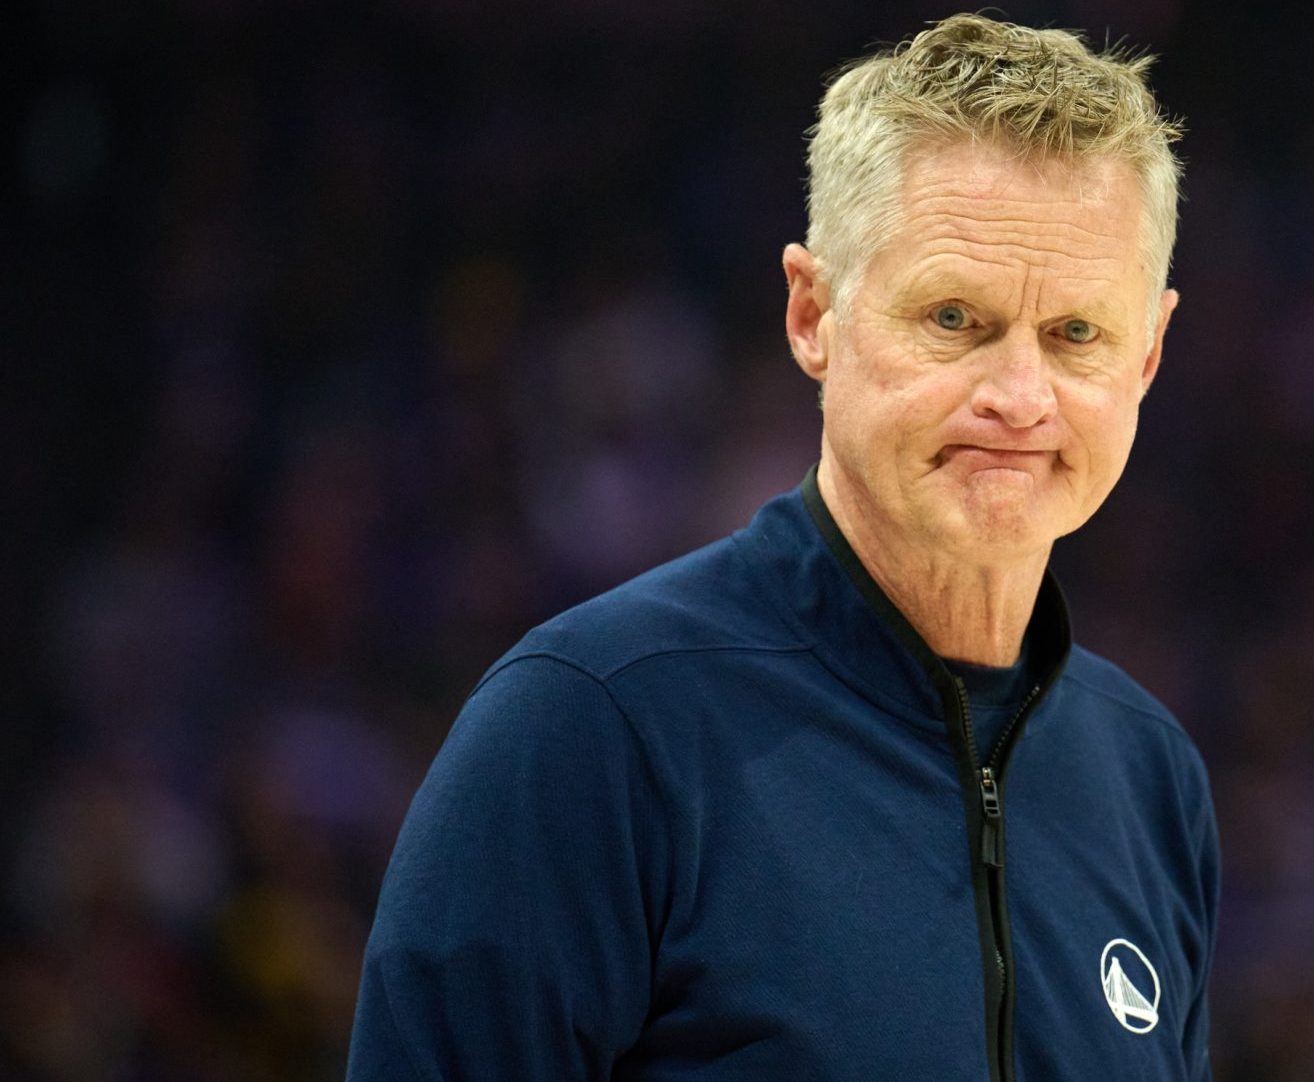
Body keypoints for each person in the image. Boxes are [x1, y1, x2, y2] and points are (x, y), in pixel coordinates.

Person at [347, 13, 1217, 1081]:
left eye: (1077, 333)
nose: (1020, 396)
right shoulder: (593, 723)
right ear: (813, 313)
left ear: (1149, 355)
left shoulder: (1151, 775)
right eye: (954, 317)